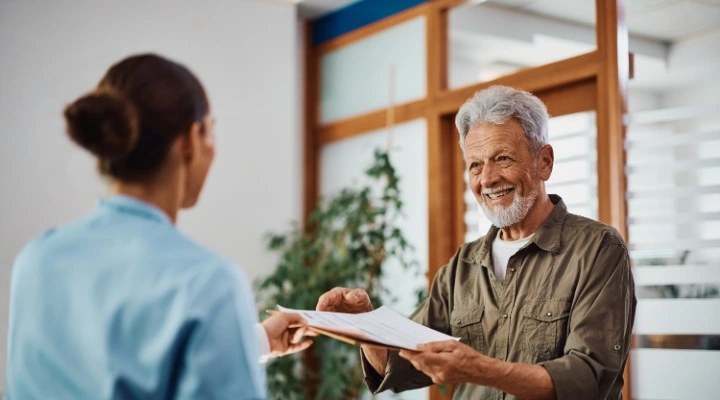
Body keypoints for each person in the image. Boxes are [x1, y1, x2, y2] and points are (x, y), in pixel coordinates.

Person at [5, 54, 312, 399]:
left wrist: (256, 340)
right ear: (190, 140)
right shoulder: (209, 282)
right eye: (212, 129)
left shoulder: (37, 259)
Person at [317, 85, 636, 400]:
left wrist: (480, 368)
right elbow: (402, 363)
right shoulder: (462, 266)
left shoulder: (597, 248)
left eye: (502, 158)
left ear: (544, 162)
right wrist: (365, 327)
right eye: (475, 165)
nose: (487, 179)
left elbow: (589, 380)